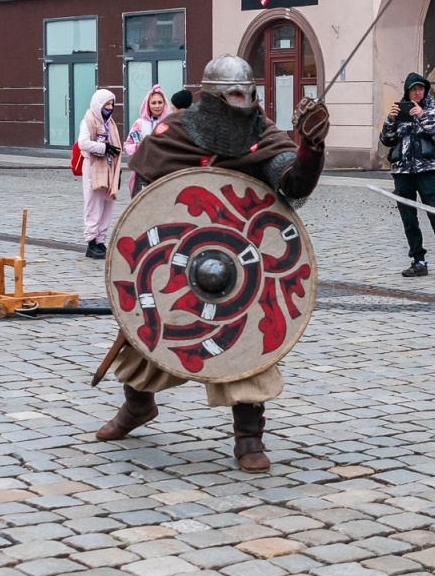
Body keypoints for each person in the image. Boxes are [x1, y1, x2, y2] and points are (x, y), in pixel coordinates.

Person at [94, 54, 330, 472]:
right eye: (235, 94)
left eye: (249, 93)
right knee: (145, 331)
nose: (244, 102)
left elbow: (292, 184)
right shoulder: (174, 134)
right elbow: (147, 203)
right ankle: (138, 406)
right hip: (175, 257)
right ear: (213, 97)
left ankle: (248, 439)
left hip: (241, 264)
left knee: (250, 343)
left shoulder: (264, 136)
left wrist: (310, 148)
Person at [380, 72, 435, 281]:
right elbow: (387, 140)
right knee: (409, 219)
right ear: (407, 91)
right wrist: (390, 119)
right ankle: (418, 261)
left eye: (421, 88)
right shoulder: (399, 112)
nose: (417, 92)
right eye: (414, 89)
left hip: (427, 171)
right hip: (402, 172)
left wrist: (422, 116)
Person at [77, 89, 123, 259]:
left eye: (112, 104)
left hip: (109, 167)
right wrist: (103, 148)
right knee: (93, 204)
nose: (109, 108)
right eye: (106, 104)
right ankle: (91, 242)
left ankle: (101, 240)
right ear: (98, 104)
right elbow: (83, 143)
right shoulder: (88, 120)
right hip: (94, 166)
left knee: (106, 204)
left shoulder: (109, 123)